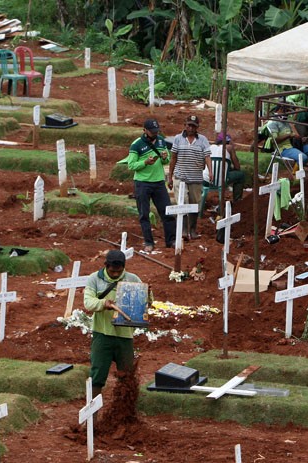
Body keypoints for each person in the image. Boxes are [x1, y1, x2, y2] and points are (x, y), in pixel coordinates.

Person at [83, 250, 144, 392]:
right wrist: (104, 304)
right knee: (97, 375)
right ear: (106, 266)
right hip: (102, 335)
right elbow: (88, 302)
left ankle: (125, 409)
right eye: (112, 272)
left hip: (124, 337)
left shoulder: (133, 279)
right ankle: (93, 413)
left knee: (127, 376)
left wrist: (147, 294)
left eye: (119, 271)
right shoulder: (94, 279)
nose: (116, 274)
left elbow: (146, 303)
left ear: (124, 267)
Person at [126, 118, 176, 252]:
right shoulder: (136, 145)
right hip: (142, 183)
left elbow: (166, 160)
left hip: (159, 182)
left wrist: (165, 157)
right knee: (144, 214)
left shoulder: (161, 141)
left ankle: (170, 240)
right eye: (152, 131)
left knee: (167, 212)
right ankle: (149, 242)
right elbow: (131, 165)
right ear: (145, 131)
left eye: (156, 131)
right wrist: (144, 163)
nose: (155, 133)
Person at [169, 115, 212, 240]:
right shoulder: (178, 139)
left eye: (193, 126)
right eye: (189, 125)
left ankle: (192, 230)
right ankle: (183, 230)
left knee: (194, 205)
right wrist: (170, 176)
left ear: (197, 127)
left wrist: (210, 171)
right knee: (183, 203)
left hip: (196, 178)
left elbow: (207, 156)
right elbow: (173, 158)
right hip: (180, 177)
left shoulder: (203, 140)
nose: (191, 128)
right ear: (185, 125)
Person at [266, 103, 308, 179]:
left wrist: (302, 139)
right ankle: (295, 177)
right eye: (286, 110)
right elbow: (274, 141)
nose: (288, 113)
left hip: (296, 146)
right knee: (303, 158)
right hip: (284, 149)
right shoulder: (272, 123)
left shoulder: (287, 121)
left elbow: (295, 135)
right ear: (280, 110)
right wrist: (289, 135)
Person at [203, 132, 245, 202]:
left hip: (206, 179)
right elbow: (237, 167)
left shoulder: (209, 147)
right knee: (241, 175)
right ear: (228, 141)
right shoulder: (229, 148)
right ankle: (237, 201)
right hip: (222, 181)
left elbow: (203, 165)